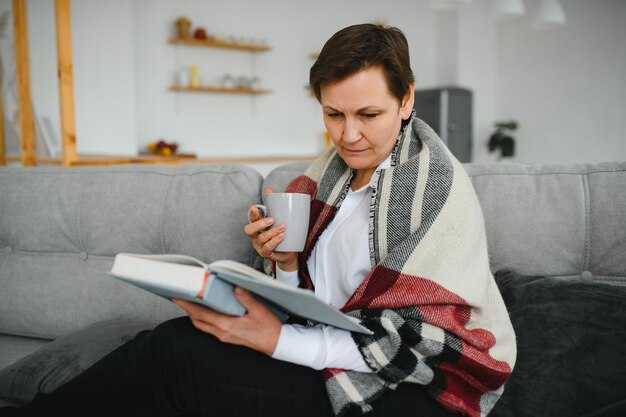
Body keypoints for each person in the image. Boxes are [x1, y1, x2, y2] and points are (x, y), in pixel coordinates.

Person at [0, 23, 516, 417]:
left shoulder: (432, 189)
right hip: (331, 350)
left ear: (406, 101)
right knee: (176, 340)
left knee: (175, 355)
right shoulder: (331, 177)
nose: (349, 135)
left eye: (368, 115)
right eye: (334, 115)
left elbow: (421, 342)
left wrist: (275, 340)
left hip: (411, 388)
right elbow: (323, 304)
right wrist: (287, 263)